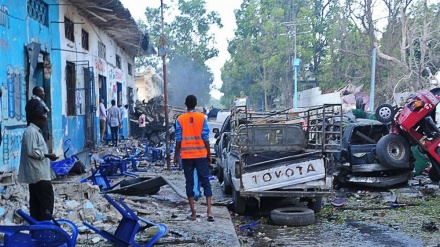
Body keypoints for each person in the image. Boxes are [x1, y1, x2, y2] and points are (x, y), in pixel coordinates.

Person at [173, 95, 214, 222]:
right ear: (196, 104)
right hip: (201, 155)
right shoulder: (202, 118)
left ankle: (193, 213)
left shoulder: (180, 119)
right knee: (206, 181)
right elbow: (205, 137)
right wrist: (209, 154)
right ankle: (209, 212)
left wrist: (175, 155)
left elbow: (178, 139)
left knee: (189, 183)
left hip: (187, 156)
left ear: (186, 104)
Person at [18, 108, 58, 221]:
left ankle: (37, 230)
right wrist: (47, 155)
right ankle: (44, 228)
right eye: (44, 120)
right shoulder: (30, 132)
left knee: (37, 205)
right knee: (47, 203)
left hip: (38, 174)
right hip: (38, 174)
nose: (45, 123)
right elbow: (32, 151)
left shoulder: (35, 132)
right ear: (37, 119)